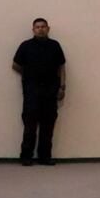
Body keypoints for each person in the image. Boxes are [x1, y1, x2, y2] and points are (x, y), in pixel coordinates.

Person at [12, 18, 66, 166]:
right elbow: (15, 65)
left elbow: (62, 67)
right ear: (33, 29)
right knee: (30, 125)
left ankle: (45, 157)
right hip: (32, 91)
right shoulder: (25, 46)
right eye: (37, 27)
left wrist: (62, 87)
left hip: (51, 90)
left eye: (43, 27)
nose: (40, 29)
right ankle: (26, 156)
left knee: (48, 125)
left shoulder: (55, 46)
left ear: (48, 28)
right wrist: (29, 74)